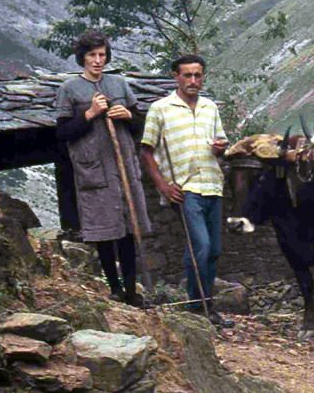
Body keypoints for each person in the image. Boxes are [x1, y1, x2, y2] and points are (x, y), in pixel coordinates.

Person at [55, 30, 152, 307]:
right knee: (105, 230)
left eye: (102, 55)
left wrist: (129, 115)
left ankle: (133, 291)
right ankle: (114, 288)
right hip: (94, 170)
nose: (98, 61)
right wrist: (89, 115)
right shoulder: (70, 89)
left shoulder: (119, 84)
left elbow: (140, 125)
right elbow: (62, 133)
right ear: (82, 58)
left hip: (123, 168)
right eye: (92, 55)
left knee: (129, 228)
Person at [140, 54, 232, 327]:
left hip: (213, 184)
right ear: (176, 77)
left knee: (212, 249)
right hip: (185, 187)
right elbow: (146, 151)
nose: (193, 81)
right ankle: (199, 307)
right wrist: (163, 186)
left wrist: (220, 147)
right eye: (188, 75)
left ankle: (202, 305)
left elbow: (222, 143)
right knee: (201, 246)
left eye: (198, 75)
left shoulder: (209, 107)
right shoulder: (161, 109)